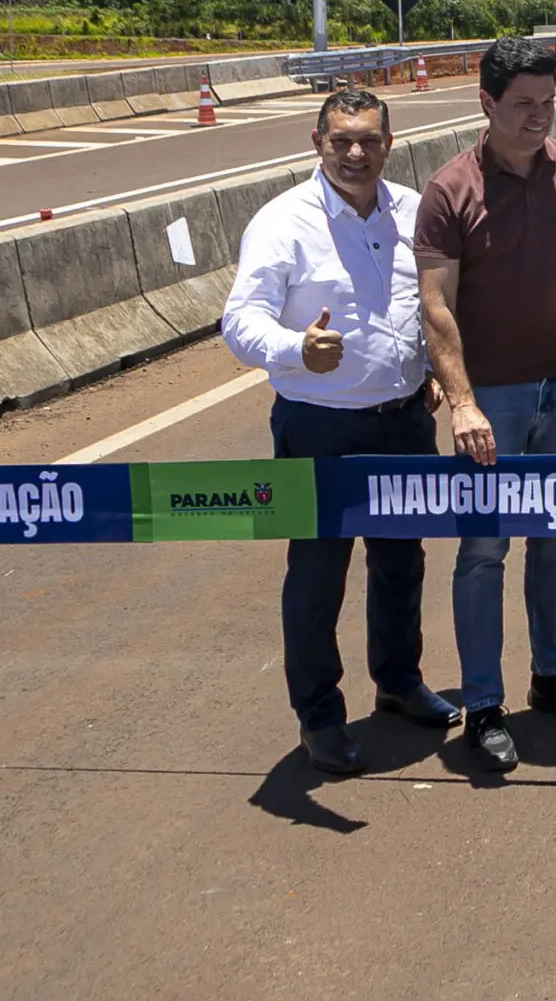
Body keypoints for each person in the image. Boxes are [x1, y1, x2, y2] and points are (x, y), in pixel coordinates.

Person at [221, 88, 456, 775]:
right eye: (341, 140)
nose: (356, 153)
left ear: (390, 142)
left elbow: (429, 306)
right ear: (316, 141)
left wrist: (431, 367)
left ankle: (398, 679)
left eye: (370, 141)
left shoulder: (414, 211)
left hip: (404, 419)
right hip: (318, 424)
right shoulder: (281, 221)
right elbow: (240, 320)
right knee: (319, 573)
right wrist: (296, 348)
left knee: (401, 561)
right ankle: (319, 715)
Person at [417, 36, 556, 773]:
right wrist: (462, 401)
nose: (539, 117)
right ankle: (486, 700)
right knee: (485, 547)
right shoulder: (450, 189)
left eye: (548, 102)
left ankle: (553, 672)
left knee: (554, 534)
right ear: (487, 103)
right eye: (523, 104)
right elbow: (436, 305)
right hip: (490, 396)